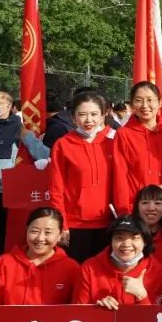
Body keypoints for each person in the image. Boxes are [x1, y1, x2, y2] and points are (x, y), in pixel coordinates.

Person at [0, 90, 51, 257]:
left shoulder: (18, 129)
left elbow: (44, 154)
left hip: (8, 191)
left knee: (7, 237)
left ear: (9, 106)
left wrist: (28, 138)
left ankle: (5, 266)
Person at [48, 91, 115, 263]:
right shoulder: (63, 145)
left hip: (109, 224)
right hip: (75, 225)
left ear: (103, 115)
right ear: (73, 117)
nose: (88, 120)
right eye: (82, 114)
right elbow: (56, 189)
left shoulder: (113, 142)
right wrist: (62, 224)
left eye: (94, 114)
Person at [0, 207, 81, 315]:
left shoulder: (71, 268)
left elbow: (78, 312)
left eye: (48, 232)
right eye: (34, 231)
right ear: (26, 230)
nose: (40, 238)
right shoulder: (5, 263)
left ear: (59, 235)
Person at [111, 81, 162, 215]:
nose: (145, 106)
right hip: (134, 207)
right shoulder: (123, 134)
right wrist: (123, 210)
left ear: (159, 103)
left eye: (150, 100)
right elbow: (119, 175)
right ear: (132, 105)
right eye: (138, 100)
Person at [73, 215, 162, 308]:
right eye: (119, 238)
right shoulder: (89, 268)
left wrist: (141, 296)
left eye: (134, 238)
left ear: (145, 242)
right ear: (111, 241)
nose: (126, 244)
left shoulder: (156, 270)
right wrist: (98, 310)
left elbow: (157, 317)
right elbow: (78, 312)